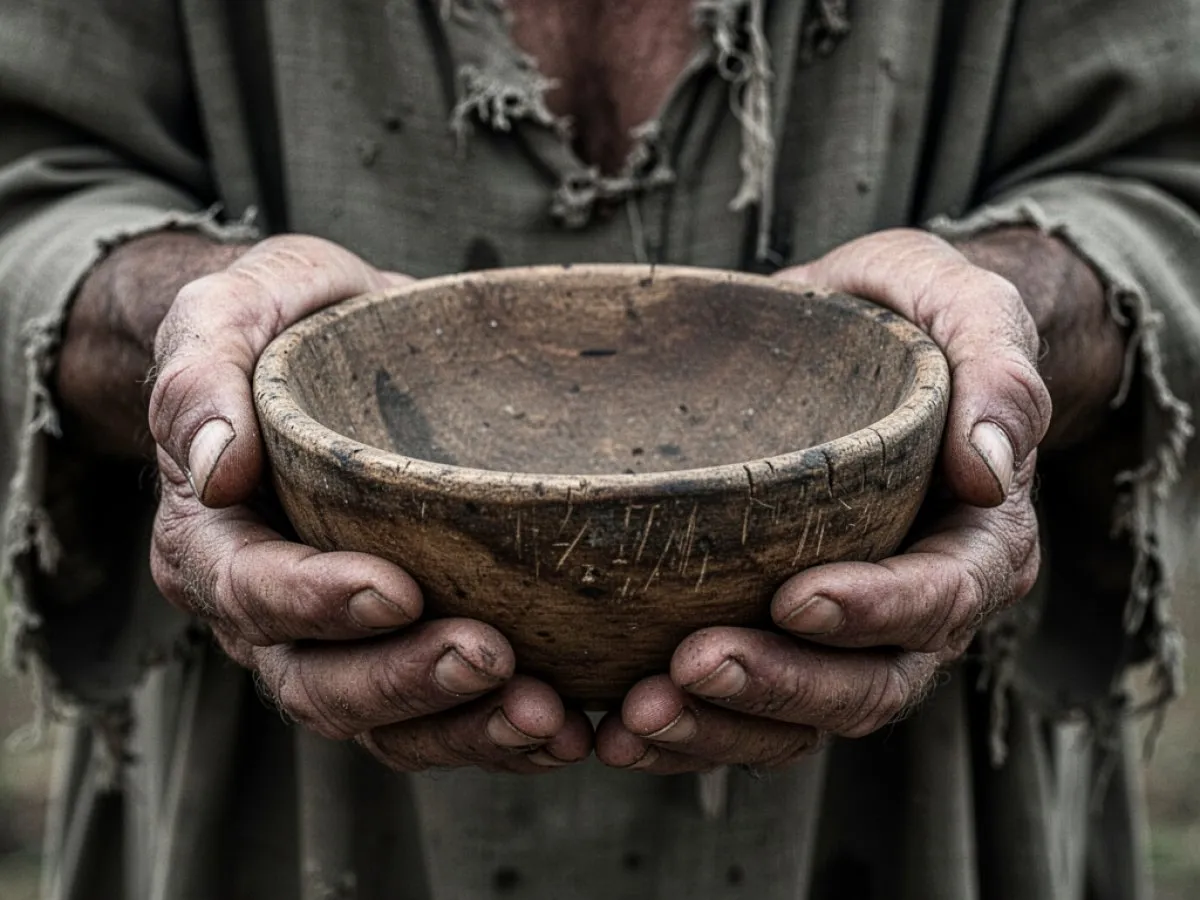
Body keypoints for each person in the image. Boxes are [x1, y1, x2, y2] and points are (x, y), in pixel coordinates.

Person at [1, 1, 1197, 897]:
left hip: (923, 819)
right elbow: (27, 181)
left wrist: (1014, 314)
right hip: (269, 821)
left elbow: (1168, 174)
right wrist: (179, 322)